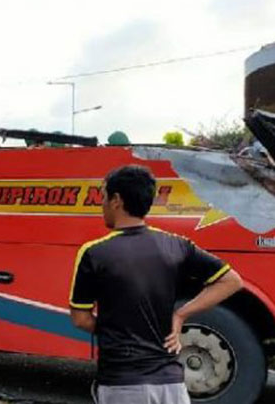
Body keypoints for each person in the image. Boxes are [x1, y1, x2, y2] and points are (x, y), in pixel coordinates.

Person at [69, 165, 243, 404]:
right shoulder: (177, 246)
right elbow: (232, 281)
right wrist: (181, 315)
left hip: (122, 384)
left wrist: (117, 329)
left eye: (104, 197)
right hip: (172, 386)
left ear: (117, 200)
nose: (102, 205)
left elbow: (81, 318)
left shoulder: (94, 253)